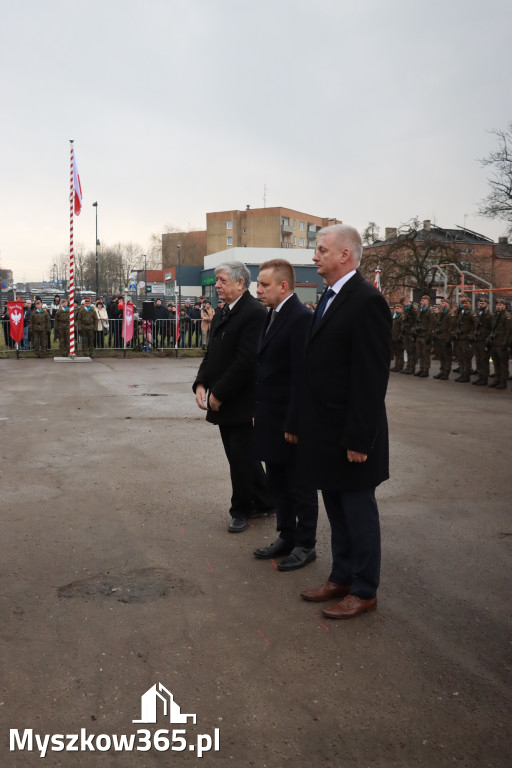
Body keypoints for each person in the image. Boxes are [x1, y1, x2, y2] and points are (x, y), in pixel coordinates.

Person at [297, 224, 391, 619]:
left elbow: (370, 378)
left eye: (321, 250)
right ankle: (342, 576)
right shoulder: (331, 297)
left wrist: (359, 438)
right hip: (326, 431)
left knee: (358, 512)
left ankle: (365, 589)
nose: (315, 257)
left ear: (345, 255)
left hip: (352, 434)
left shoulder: (367, 300)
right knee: (336, 509)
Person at [193, 261, 274, 533]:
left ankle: (241, 509)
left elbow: (246, 362)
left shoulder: (254, 313)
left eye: (222, 280)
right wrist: (201, 383)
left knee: (240, 457)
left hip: (242, 400)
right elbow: (212, 353)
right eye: (216, 280)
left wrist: (219, 393)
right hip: (222, 398)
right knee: (243, 456)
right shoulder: (223, 312)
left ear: (241, 283)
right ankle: (265, 500)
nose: (217, 285)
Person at [252, 259, 318, 570]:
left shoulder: (300, 318)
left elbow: (302, 376)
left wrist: (295, 421)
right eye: (258, 283)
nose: (258, 289)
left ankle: (305, 543)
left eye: (264, 284)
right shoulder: (274, 315)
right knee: (277, 481)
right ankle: (286, 535)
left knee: (299, 484)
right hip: (270, 417)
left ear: (283, 286)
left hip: (289, 421)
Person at [487, 298, 511, 389]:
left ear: (504, 306)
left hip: (502, 343)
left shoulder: (506, 316)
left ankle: (503, 381)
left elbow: (508, 331)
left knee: (503, 363)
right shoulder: (495, 316)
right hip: (494, 342)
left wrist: (505, 343)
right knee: (496, 362)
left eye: (500, 305)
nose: (498, 306)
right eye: (497, 305)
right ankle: (497, 378)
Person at [452, 295, 474, 382]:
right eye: (463, 303)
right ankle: (462, 374)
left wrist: (471, 336)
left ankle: (466, 375)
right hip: (459, 338)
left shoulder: (472, 314)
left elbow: (476, 325)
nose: (465, 305)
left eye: (466, 303)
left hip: (466, 339)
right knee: (460, 357)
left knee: (466, 358)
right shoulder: (462, 312)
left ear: (470, 304)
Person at [471, 296, 493, 386]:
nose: (480, 304)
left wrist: (488, 340)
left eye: (482, 303)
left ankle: (484, 378)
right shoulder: (478, 313)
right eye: (479, 303)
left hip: (484, 340)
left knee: (484, 360)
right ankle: (480, 376)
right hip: (477, 340)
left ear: (487, 305)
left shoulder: (490, 315)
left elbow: (492, 329)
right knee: (478, 359)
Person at [432, 297, 454, 380]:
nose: (442, 305)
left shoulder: (450, 314)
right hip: (439, 337)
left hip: (445, 337)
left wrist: (449, 338)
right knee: (441, 355)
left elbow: (451, 327)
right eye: (441, 303)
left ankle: (446, 372)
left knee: (447, 356)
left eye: (443, 303)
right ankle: (442, 370)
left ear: (447, 304)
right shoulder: (441, 313)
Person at [414, 294, 432, 377]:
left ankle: (426, 370)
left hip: (425, 335)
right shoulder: (420, 310)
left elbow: (431, 324)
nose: (421, 302)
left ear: (427, 301)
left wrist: (429, 335)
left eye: (423, 300)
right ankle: (421, 368)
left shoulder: (429, 311)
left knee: (426, 354)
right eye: (421, 300)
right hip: (419, 334)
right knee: (420, 353)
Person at [390, 302, 404, 371]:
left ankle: (400, 366)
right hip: (393, 336)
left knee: (400, 353)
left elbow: (402, 328)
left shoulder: (402, 317)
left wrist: (400, 336)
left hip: (399, 337)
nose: (396, 309)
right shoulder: (394, 316)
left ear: (402, 309)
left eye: (398, 308)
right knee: (396, 352)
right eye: (395, 308)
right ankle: (396, 365)